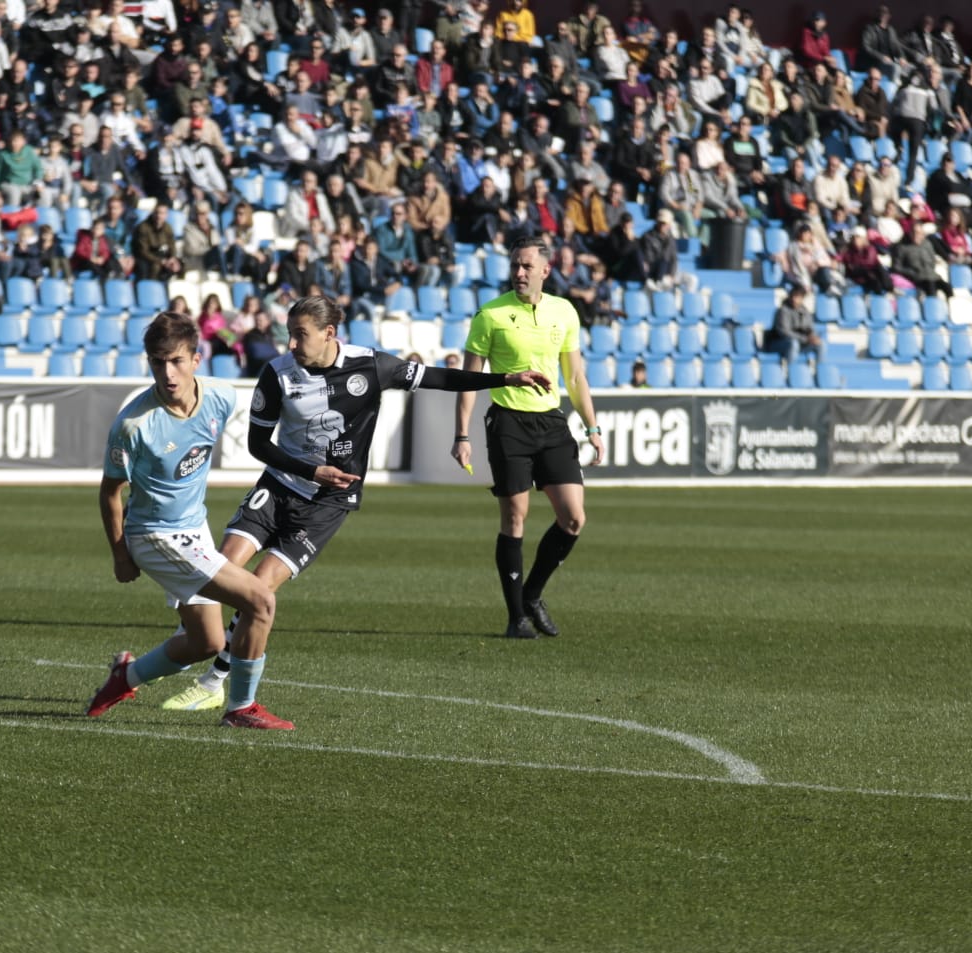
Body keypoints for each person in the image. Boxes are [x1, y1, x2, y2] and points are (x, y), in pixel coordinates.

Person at [155, 294, 553, 710]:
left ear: (329, 334)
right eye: (289, 334)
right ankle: (189, 648)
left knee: (258, 588)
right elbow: (258, 444)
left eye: (299, 335)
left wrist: (505, 379)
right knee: (220, 568)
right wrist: (310, 470)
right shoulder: (278, 374)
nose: (291, 344)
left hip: (328, 502)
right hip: (278, 487)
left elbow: (440, 378)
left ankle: (214, 680)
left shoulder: (372, 365)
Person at [84, 311, 289, 730]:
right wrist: (120, 553)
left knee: (206, 642)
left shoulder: (221, 396)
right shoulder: (134, 424)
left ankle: (126, 676)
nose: (167, 372)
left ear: (197, 359)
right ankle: (240, 708)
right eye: (158, 362)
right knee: (260, 600)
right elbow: (110, 491)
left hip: (194, 529)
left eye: (176, 360)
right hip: (155, 536)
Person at [451, 237, 606, 639]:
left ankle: (532, 594)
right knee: (514, 518)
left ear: (545, 270)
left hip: (551, 424)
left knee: (573, 518)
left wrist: (592, 428)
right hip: (508, 423)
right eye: (515, 266)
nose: (519, 273)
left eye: (526, 267)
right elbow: (469, 379)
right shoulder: (491, 314)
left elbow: (574, 376)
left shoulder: (564, 311)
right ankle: (516, 616)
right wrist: (461, 433)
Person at [763, 284, 823, 368]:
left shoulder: (805, 311)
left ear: (802, 298)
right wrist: (805, 339)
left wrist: (812, 337)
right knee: (793, 344)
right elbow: (784, 332)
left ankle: (819, 372)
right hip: (778, 342)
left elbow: (810, 328)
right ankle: (791, 372)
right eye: (793, 296)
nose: (794, 299)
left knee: (820, 344)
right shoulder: (783, 311)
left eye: (798, 297)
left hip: (800, 342)